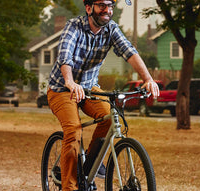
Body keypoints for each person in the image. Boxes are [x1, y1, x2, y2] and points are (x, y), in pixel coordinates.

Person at [45, 0, 160, 190]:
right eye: (101, 5)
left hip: (90, 88)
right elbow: (65, 56)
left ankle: (89, 165)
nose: (107, 10)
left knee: (108, 118)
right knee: (73, 130)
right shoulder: (74, 27)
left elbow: (129, 52)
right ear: (89, 8)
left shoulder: (111, 29)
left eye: (110, 5)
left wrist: (147, 78)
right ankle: (70, 187)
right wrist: (70, 81)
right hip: (62, 89)